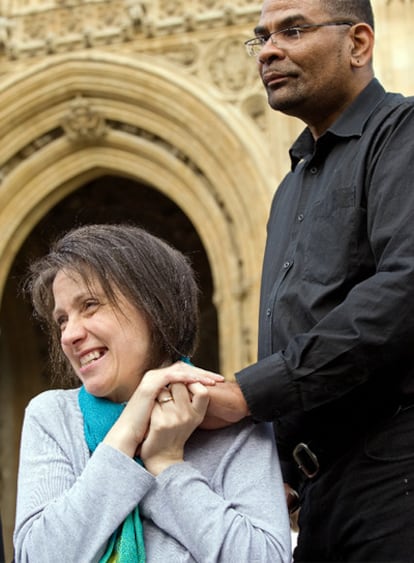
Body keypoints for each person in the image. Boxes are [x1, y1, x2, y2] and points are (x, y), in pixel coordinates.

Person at [172, 0, 414, 561]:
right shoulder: (291, 187)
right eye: (262, 37)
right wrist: (277, 467)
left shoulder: (401, 134)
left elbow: (403, 292)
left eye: (294, 30)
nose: (270, 50)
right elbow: (295, 322)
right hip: (317, 493)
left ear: (358, 44)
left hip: (396, 474)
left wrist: (248, 393)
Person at [13, 223, 291, 563]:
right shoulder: (52, 416)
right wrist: (126, 435)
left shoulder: (230, 419)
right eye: (62, 320)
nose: (69, 334)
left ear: (154, 307)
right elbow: (37, 557)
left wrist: (166, 465)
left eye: (89, 305)